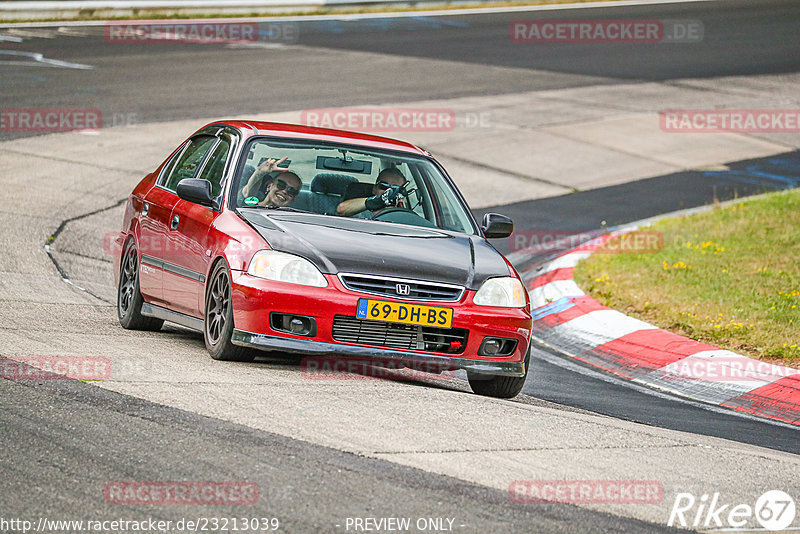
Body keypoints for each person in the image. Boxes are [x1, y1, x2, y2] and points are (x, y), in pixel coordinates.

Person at [336, 168, 407, 218]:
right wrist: (378, 201)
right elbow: (341, 209)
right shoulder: (359, 212)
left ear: (402, 197)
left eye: (395, 189)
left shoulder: (406, 218)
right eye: (383, 186)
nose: (388, 191)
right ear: (374, 189)